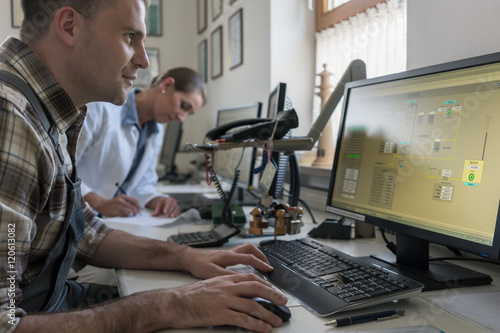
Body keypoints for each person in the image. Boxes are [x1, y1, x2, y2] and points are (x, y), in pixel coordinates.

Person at [0, 1, 287, 333]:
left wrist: (185, 257)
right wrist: (168, 305)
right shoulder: (10, 117)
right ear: (68, 26)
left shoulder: (49, 115)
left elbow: (87, 232)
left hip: (54, 298)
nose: (144, 60)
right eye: (129, 36)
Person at [76, 68, 207, 218]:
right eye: (184, 106)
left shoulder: (156, 129)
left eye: (188, 114)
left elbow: (142, 183)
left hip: (112, 221)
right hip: (77, 215)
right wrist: (100, 203)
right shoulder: (101, 108)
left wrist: (158, 200)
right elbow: (62, 168)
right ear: (166, 85)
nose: (182, 118)